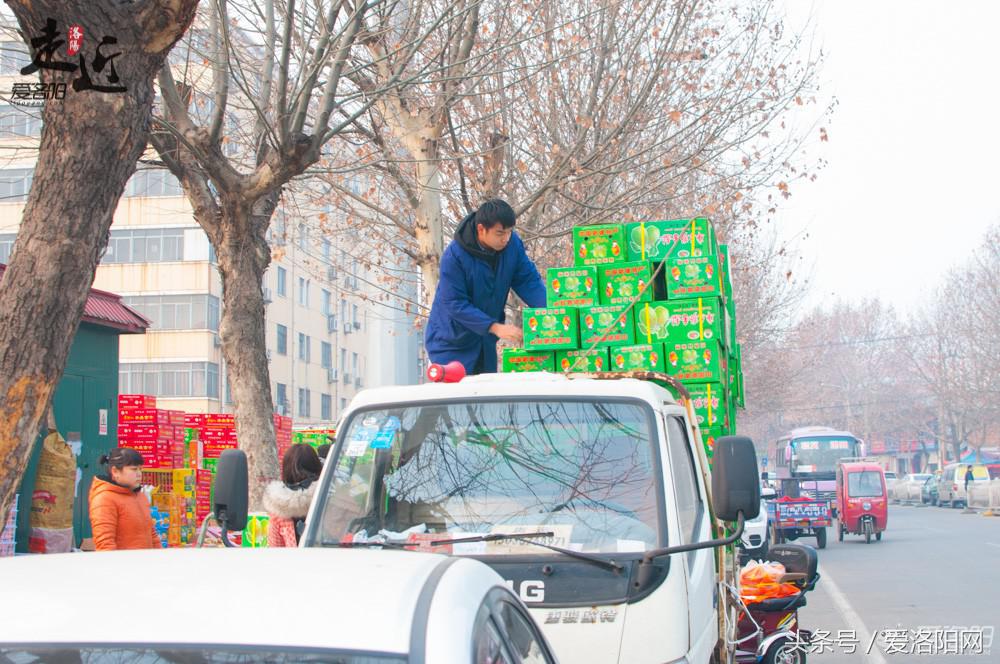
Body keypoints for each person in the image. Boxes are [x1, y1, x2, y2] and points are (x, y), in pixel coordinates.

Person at [425, 198, 547, 375]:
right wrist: (495, 327)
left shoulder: (513, 245)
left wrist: (554, 310)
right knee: (458, 398)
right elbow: (454, 303)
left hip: (485, 341)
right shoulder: (455, 256)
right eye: (500, 233)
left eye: (509, 232)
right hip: (451, 343)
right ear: (481, 229)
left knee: (486, 395)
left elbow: (528, 280)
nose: (506, 239)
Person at [88, 447, 160, 551]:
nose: (139, 474)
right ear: (115, 471)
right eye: (134, 469)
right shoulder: (104, 499)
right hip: (123, 565)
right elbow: (105, 544)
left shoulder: (139, 495)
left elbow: (152, 534)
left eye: (140, 469)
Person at [263, 444, 323, 547]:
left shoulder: (278, 507)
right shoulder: (328, 500)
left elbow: (276, 550)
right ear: (317, 467)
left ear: (286, 470)